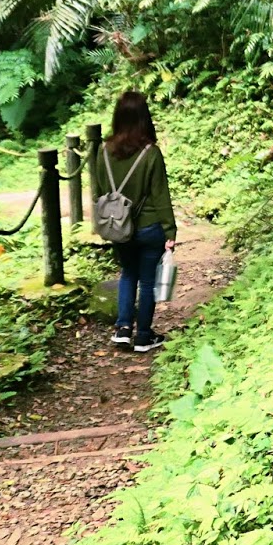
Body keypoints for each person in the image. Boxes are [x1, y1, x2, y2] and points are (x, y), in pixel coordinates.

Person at [101, 90, 176, 353]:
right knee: (146, 281)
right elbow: (160, 195)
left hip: (118, 226)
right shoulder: (150, 152)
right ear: (144, 118)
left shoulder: (104, 151)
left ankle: (123, 329)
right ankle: (143, 336)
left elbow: (101, 190)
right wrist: (170, 230)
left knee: (127, 274)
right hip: (149, 226)